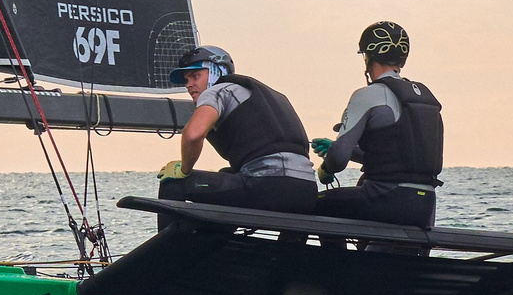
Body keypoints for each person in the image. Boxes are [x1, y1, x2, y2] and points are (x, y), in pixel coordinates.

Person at [156, 43, 321, 213]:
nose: (189, 84)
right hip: (306, 192)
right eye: (186, 80)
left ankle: (175, 232)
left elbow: (193, 135)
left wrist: (184, 169)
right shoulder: (275, 97)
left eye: (195, 76)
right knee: (226, 174)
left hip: (268, 187)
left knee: (173, 183)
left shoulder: (216, 91)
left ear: (217, 71)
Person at [314, 21, 444, 228]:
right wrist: (340, 148)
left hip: (386, 199)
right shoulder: (424, 99)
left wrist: (326, 168)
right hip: (424, 205)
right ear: (403, 58)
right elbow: (395, 160)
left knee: (314, 203)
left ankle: (328, 252)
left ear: (368, 57)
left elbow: (338, 160)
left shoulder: (367, 95)